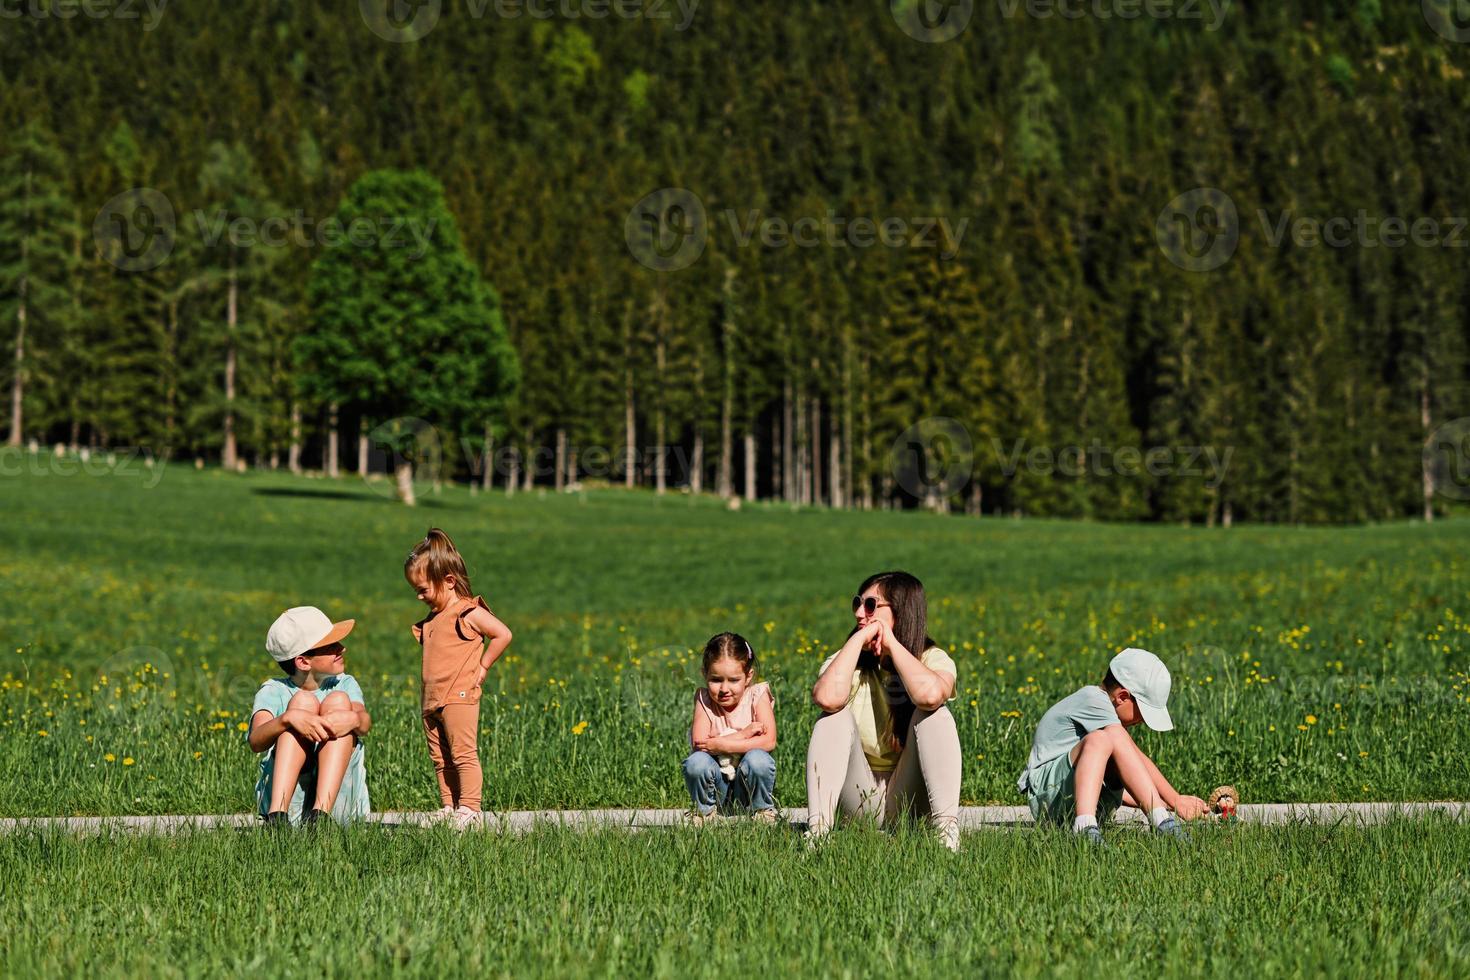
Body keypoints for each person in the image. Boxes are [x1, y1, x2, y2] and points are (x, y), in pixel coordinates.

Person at [806, 571, 961, 851]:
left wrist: (892, 644)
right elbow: (827, 698)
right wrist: (857, 640)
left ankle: (946, 834)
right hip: (861, 801)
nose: (858, 613)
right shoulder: (846, 661)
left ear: (900, 611)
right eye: (857, 603)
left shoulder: (932, 658)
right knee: (833, 716)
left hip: (911, 801)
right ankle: (818, 833)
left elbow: (930, 695)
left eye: (870, 605)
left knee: (935, 713)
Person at [1018, 647, 1208, 844]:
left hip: (1072, 802)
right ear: (1123, 697)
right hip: (1047, 798)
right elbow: (1135, 754)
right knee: (1105, 738)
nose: (1142, 720)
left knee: (1109, 741)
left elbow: (1120, 781)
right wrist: (1175, 800)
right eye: (1143, 712)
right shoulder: (1093, 699)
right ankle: (1087, 828)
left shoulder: (1107, 728)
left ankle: (1098, 824)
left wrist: (1167, 804)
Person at [405, 528, 514, 829]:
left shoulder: (467, 612)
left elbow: (503, 634)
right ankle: (450, 806)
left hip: (459, 696)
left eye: (424, 589)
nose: (419, 596)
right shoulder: (432, 619)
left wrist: (484, 666)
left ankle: (471, 808)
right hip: (431, 700)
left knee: (463, 753)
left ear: (449, 581)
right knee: (441, 758)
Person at [247, 606, 372, 827]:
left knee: (339, 701)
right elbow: (256, 740)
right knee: (301, 704)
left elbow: (363, 722)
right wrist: (287, 719)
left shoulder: (344, 683)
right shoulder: (274, 690)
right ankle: (278, 817)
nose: (342, 648)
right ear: (303, 661)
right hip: (292, 806)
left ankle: (320, 817)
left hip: (339, 809)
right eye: (330, 646)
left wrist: (353, 719)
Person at [681, 632, 778, 825]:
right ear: (704, 675)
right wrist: (744, 735)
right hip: (717, 786)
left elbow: (769, 741)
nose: (724, 689)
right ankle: (705, 813)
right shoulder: (704, 700)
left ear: (748, 676)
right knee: (696, 762)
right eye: (716, 680)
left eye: (734, 680)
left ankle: (761, 811)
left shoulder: (757, 696)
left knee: (758, 759)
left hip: (747, 788)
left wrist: (721, 744)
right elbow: (700, 743)